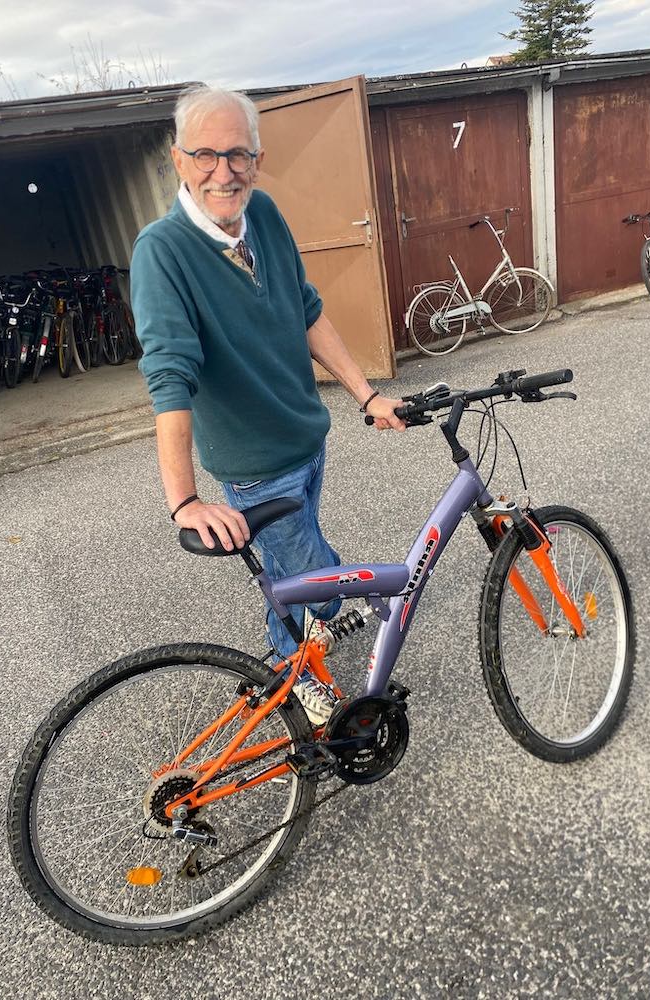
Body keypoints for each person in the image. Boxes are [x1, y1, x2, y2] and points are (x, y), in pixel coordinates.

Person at [130, 85, 404, 724]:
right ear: (178, 159)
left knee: (291, 575)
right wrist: (185, 500)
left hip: (307, 440)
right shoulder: (162, 251)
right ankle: (292, 668)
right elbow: (169, 377)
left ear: (257, 158)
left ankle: (289, 651)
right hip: (256, 467)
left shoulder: (266, 214)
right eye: (205, 155)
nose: (223, 172)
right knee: (323, 581)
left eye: (238, 154)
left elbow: (306, 311)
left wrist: (366, 395)